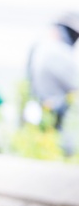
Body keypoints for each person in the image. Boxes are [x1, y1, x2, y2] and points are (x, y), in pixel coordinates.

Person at [26, 12, 79, 152]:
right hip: (54, 112)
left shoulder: (42, 47)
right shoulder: (58, 52)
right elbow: (75, 83)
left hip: (43, 109)